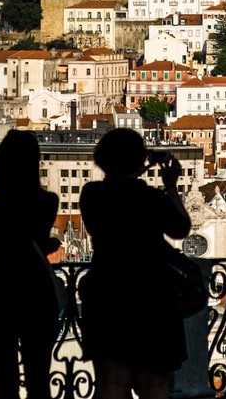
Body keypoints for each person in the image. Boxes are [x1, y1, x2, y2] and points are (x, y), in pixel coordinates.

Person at [80, 128, 190, 399]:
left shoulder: (92, 194)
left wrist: (138, 166)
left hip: (107, 292)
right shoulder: (152, 199)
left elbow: (117, 188)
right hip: (151, 295)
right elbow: (181, 229)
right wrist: (170, 185)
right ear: (139, 160)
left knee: (111, 385)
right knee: (153, 387)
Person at [0, 130, 61, 399]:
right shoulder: (48, 202)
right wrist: (48, 245)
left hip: (1, 289)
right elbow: (36, 240)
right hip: (37, 290)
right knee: (38, 377)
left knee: (5, 378)